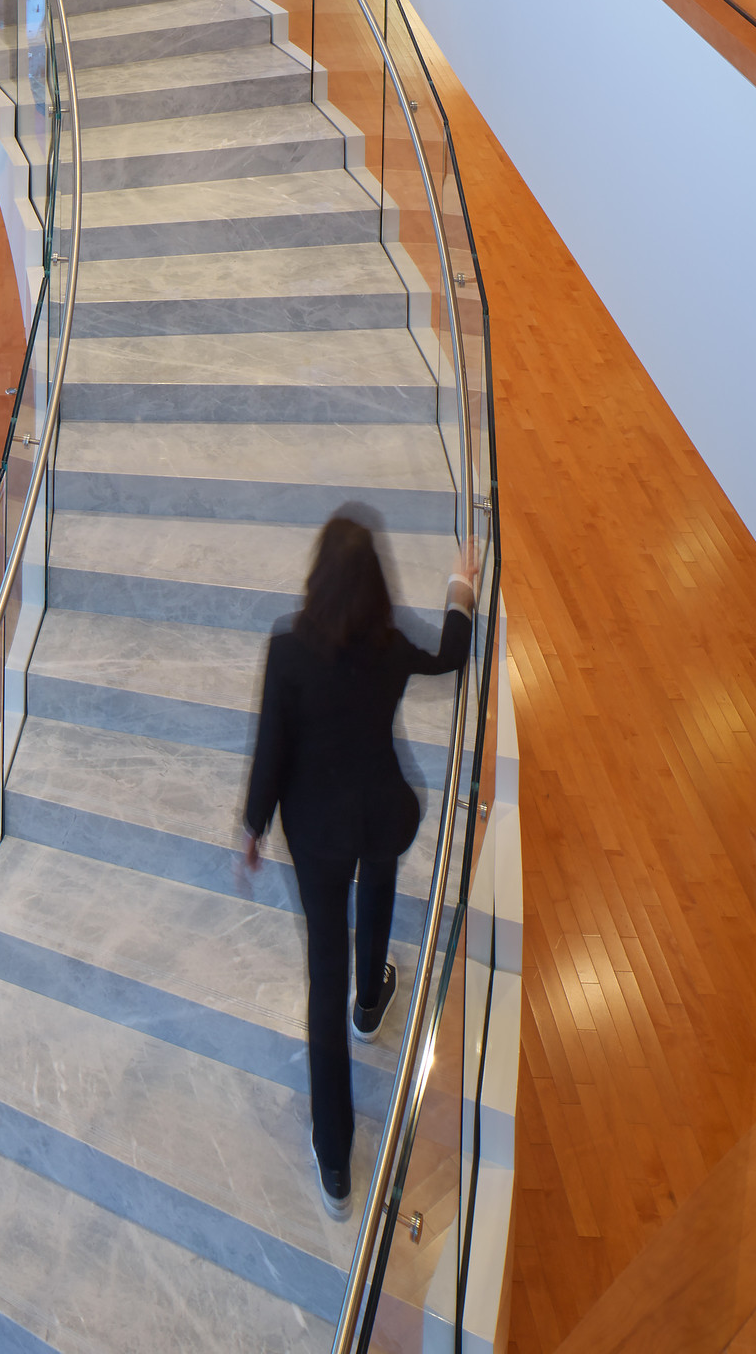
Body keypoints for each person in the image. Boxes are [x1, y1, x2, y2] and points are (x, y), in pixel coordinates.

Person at [239, 509, 476, 1222]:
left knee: (322, 977)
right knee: (378, 880)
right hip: (379, 814)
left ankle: (336, 1161)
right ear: (377, 586)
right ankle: (371, 1002)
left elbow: (271, 753)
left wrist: (253, 827)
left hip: (315, 834)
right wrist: (460, 589)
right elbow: (451, 659)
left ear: (317, 579)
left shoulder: (287, 651)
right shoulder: (391, 647)